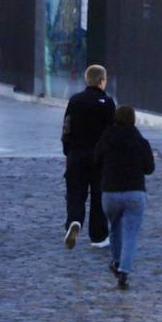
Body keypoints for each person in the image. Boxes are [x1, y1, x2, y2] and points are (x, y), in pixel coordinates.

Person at [94, 105, 155, 290]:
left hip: (110, 193)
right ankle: (124, 271)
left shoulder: (105, 138)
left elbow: (96, 162)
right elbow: (149, 168)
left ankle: (116, 261)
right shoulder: (140, 141)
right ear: (134, 119)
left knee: (114, 229)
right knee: (130, 234)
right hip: (134, 193)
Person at [61, 64, 116, 251]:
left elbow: (66, 127)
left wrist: (67, 150)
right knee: (98, 195)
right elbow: (111, 132)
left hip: (76, 154)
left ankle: (74, 221)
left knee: (75, 192)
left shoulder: (75, 100)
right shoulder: (107, 103)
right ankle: (99, 236)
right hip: (99, 157)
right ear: (102, 81)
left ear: (87, 79)